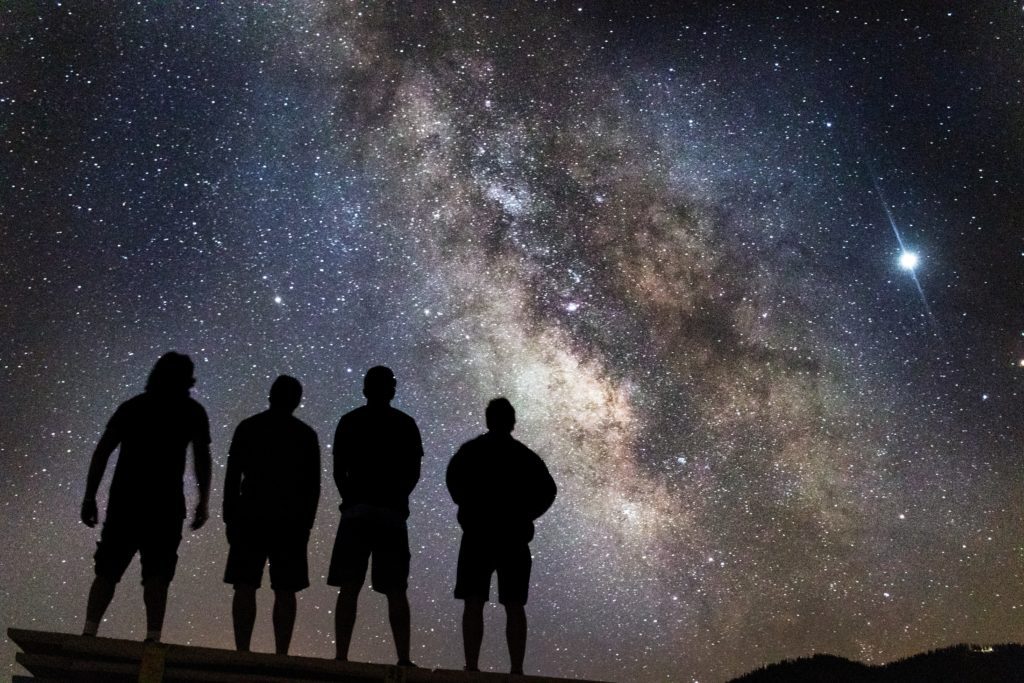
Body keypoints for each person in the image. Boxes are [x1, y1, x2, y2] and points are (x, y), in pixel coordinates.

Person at [80, 352, 212, 643]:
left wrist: (90, 496)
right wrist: (203, 500)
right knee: (158, 573)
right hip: (165, 505)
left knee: (108, 569)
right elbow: (201, 458)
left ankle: (89, 631)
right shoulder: (192, 412)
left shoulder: (133, 408)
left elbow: (102, 452)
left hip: (126, 501)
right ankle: (153, 636)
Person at [446, 398, 557, 675]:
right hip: (513, 537)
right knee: (514, 604)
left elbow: (453, 480)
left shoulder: (470, 451)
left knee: (474, 602)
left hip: (478, 535)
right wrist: (527, 515)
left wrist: (467, 509)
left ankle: (471, 666)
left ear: (488, 420)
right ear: (512, 422)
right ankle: (516, 670)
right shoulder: (526, 457)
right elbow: (549, 491)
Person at [327, 366, 423, 665]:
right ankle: (403, 658)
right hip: (391, 515)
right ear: (391, 389)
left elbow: (338, 469)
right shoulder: (405, 424)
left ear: (366, 388)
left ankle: (341, 656)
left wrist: (350, 498)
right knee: (395, 589)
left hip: (357, 513)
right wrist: (398, 498)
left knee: (349, 586)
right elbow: (413, 472)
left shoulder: (350, 421)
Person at [222, 375, 320, 655]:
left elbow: (232, 476)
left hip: (250, 514)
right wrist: (307, 524)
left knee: (244, 584)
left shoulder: (249, 427)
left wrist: (229, 515)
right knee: (286, 589)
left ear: (270, 395)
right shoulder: (305, 435)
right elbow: (312, 487)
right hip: (290, 521)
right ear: (297, 400)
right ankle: (281, 653)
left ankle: (242, 650)